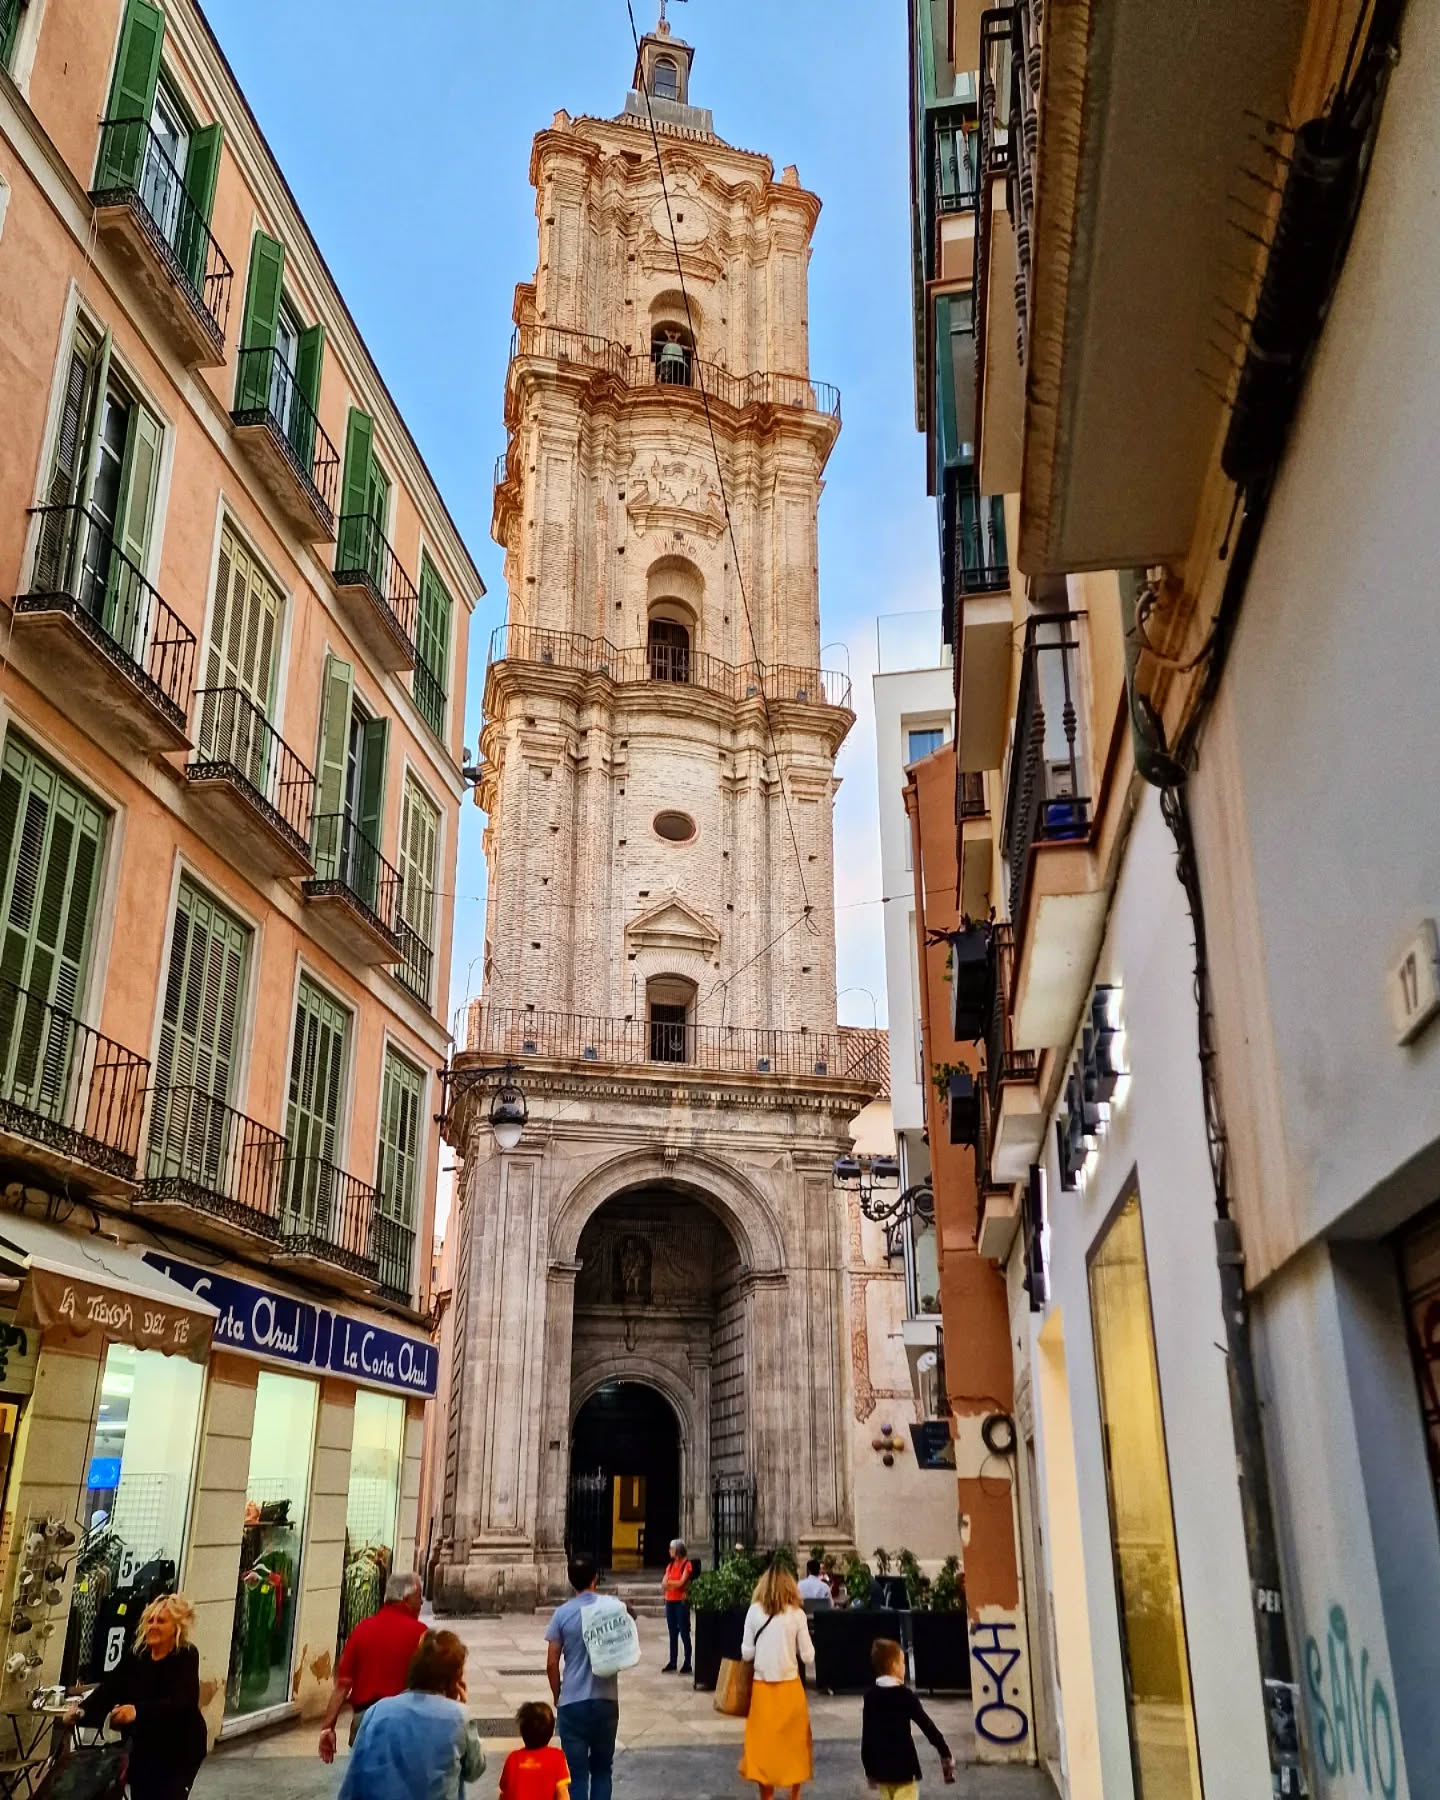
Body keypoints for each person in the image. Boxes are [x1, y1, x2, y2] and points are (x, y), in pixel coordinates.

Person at [72, 1592, 208, 1800]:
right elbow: (110, 1688)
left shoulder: (186, 1655)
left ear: (176, 1628)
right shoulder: (138, 1655)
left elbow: (182, 1701)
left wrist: (137, 1711)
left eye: (161, 1621)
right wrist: (81, 1711)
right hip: (145, 1743)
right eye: (150, 1621)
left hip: (179, 1746)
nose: (153, 1626)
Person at [340, 1628, 485, 1800]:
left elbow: (354, 1779)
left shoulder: (377, 1711)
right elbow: (474, 1770)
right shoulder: (458, 1717)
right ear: (455, 1678)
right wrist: (460, 1708)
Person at [319, 1570, 428, 1761]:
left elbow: (343, 1685)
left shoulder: (362, 1629)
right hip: (404, 1723)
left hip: (365, 1722)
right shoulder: (421, 1634)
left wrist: (328, 1727)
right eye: (419, 1598)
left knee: (365, 1784)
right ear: (406, 1598)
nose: (421, 1604)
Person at [545, 1553, 624, 1800]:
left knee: (576, 1775)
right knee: (602, 1770)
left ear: (571, 1581)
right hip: (606, 1699)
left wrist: (558, 1694)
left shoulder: (561, 1614)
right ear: (595, 1579)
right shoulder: (611, 1608)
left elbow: (551, 1662)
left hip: (573, 1702)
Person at [739, 1562, 815, 1800]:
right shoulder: (797, 1615)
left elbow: (746, 1654)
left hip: (762, 1689)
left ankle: (766, 1796)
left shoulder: (753, 1612)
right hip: (790, 1687)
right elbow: (808, 1656)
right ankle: (794, 1795)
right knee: (794, 1746)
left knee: (764, 1747)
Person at [860, 1638, 956, 1797]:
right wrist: (944, 1751)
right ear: (893, 1666)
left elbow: (867, 1737)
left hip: (882, 1771)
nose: (904, 1667)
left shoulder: (870, 1697)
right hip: (904, 1770)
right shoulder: (905, 1696)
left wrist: (869, 1770)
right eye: (902, 1662)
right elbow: (927, 1727)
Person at [498, 1701, 571, 1798]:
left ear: (522, 1731)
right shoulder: (557, 1757)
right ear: (551, 1731)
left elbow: (504, 1791)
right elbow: (562, 1792)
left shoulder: (513, 1758)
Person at [660, 1539, 694, 1674]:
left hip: (680, 1602)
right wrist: (672, 1584)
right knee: (672, 1632)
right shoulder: (670, 1565)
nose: (669, 1551)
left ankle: (687, 1662)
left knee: (684, 1632)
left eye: (671, 1548)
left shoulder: (687, 1564)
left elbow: (681, 1583)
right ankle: (672, 1661)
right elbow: (664, 1583)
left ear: (678, 1550)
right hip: (670, 1600)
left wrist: (670, 1583)